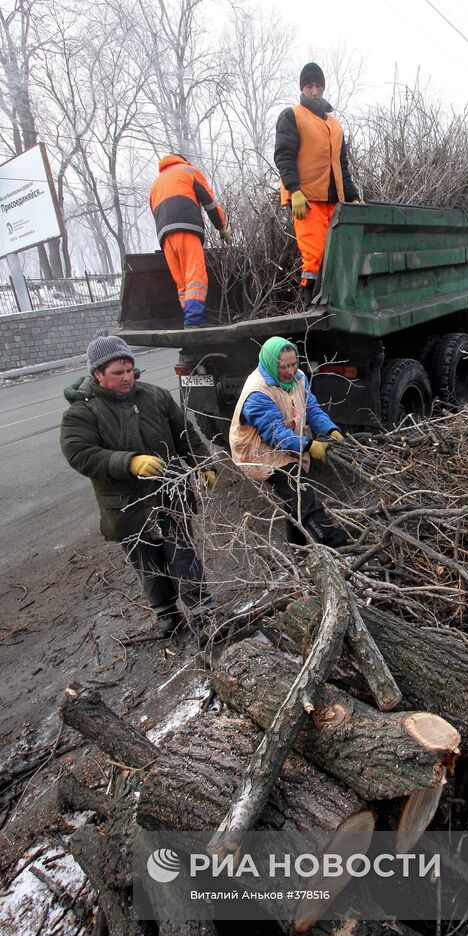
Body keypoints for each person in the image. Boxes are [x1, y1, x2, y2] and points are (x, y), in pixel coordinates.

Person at [60, 330, 218, 638]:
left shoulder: (155, 396)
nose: (127, 377)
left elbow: (185, 434)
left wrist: (203, 464)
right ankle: (168, 615)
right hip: (127, 505)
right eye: (118, 372)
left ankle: (203, 612)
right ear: (97, 373)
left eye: (130, 370)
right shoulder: (82, 412)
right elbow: (81, 454)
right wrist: (129, 462)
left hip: (170, 494)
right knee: (148, 562)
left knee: (183, 554)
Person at [229, 336, 348, 547]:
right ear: (272, 364)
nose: (291, 370)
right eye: (284, 366)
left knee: (293, 500)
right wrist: (309, 445)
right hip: (258, 451)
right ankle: (331, 541)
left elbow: (311, 408)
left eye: (294, 364)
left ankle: (298, 548)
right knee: (301, 490)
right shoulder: (257, 392)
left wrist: (330, 430)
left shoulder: (299, 378)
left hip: (286, 440)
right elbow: (274, 433)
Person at [274, 62, 361, 307]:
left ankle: (335, 309)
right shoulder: (292, 115)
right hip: (307, 200)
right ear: (303, 88)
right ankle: (312, 313)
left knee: (338, 258)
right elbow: (283, 155)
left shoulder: (335, 125)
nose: (314, 91)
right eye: (309, 86)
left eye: (318, 86)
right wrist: (294, 190)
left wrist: (352, 195)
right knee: (315, 259)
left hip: (335, 202)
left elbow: (341, 165)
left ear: (323, 88)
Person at [149, 153, 230, 328]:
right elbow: (209, 203)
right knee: (195, 277)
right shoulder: (188, 170)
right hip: (186, 227)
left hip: (165, 235)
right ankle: (194, 320)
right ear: (184, 160)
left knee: (182, 282)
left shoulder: (156, 183)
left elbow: (154, 212)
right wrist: (221, 227)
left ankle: (189, 320)